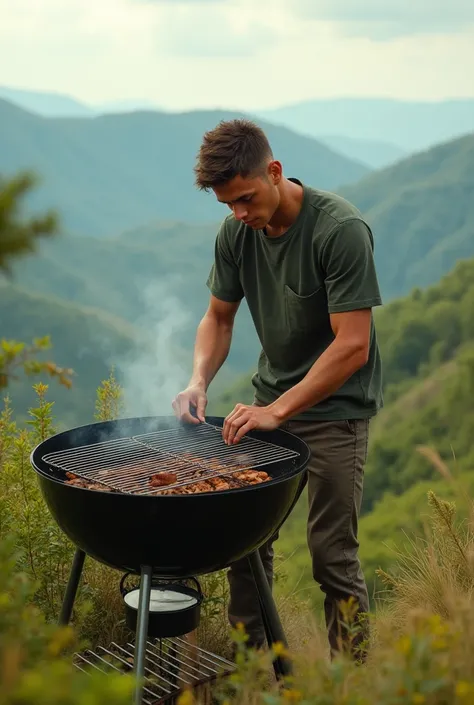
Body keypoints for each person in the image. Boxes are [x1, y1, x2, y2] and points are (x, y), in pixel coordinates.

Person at [172, 118, 383, 661]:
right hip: (268, 408)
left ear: (275, 171)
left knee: (332, 558)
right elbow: (218, 318)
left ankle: (351, 685)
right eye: (228, 206)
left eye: (245, 198)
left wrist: (279, 410)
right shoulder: (237, 233)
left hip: (337, 413)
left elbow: (352, 344)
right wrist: (199, 381)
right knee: (244, 546)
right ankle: (248, 676)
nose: (240, 214)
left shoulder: (340, 230)